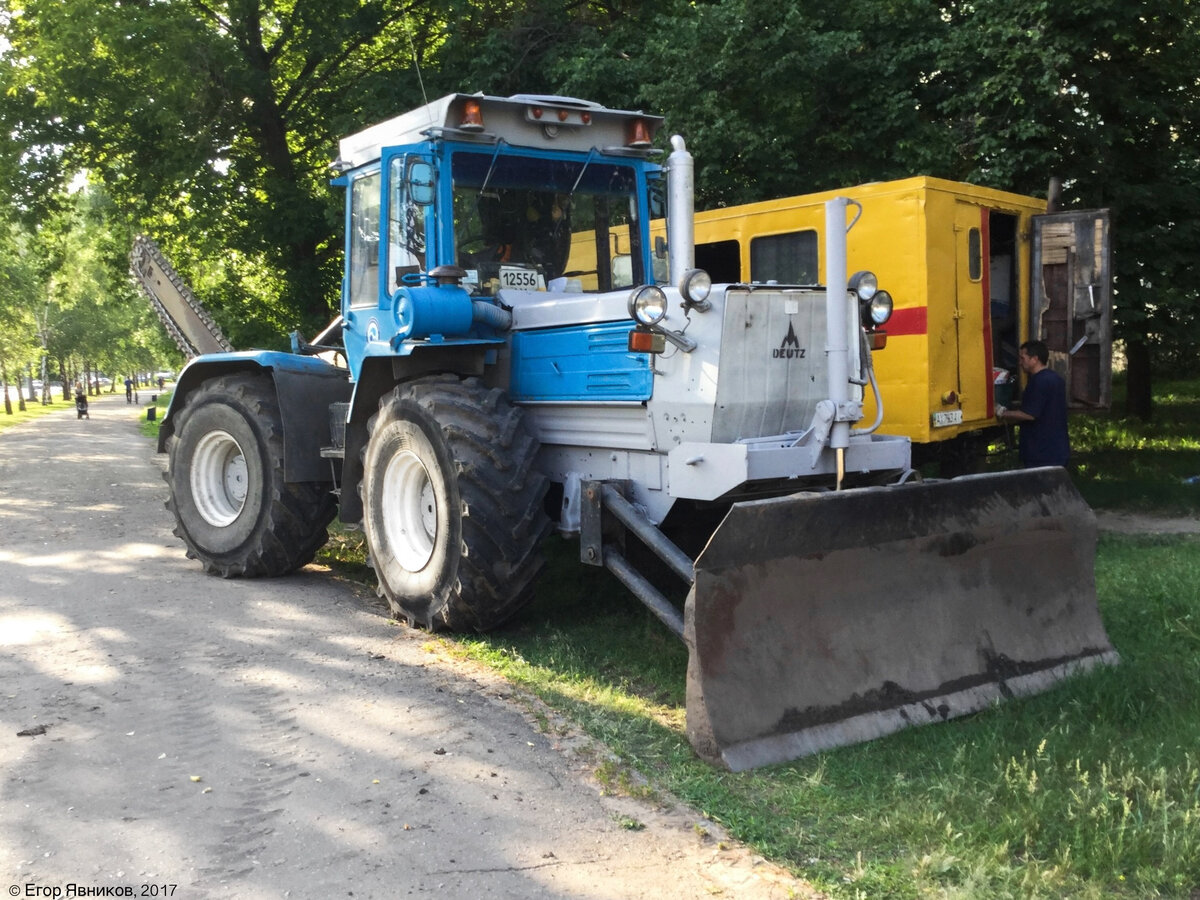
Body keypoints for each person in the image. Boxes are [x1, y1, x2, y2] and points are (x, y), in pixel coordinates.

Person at [995, 339, 1069, 467]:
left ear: (1034, 359)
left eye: (1022, 358)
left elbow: (1029, 414)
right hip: (1057, 448)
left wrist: (1002, 412)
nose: (1019, 362)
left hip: (1040, 452)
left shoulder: (1038, 382)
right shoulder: (1056, 379)